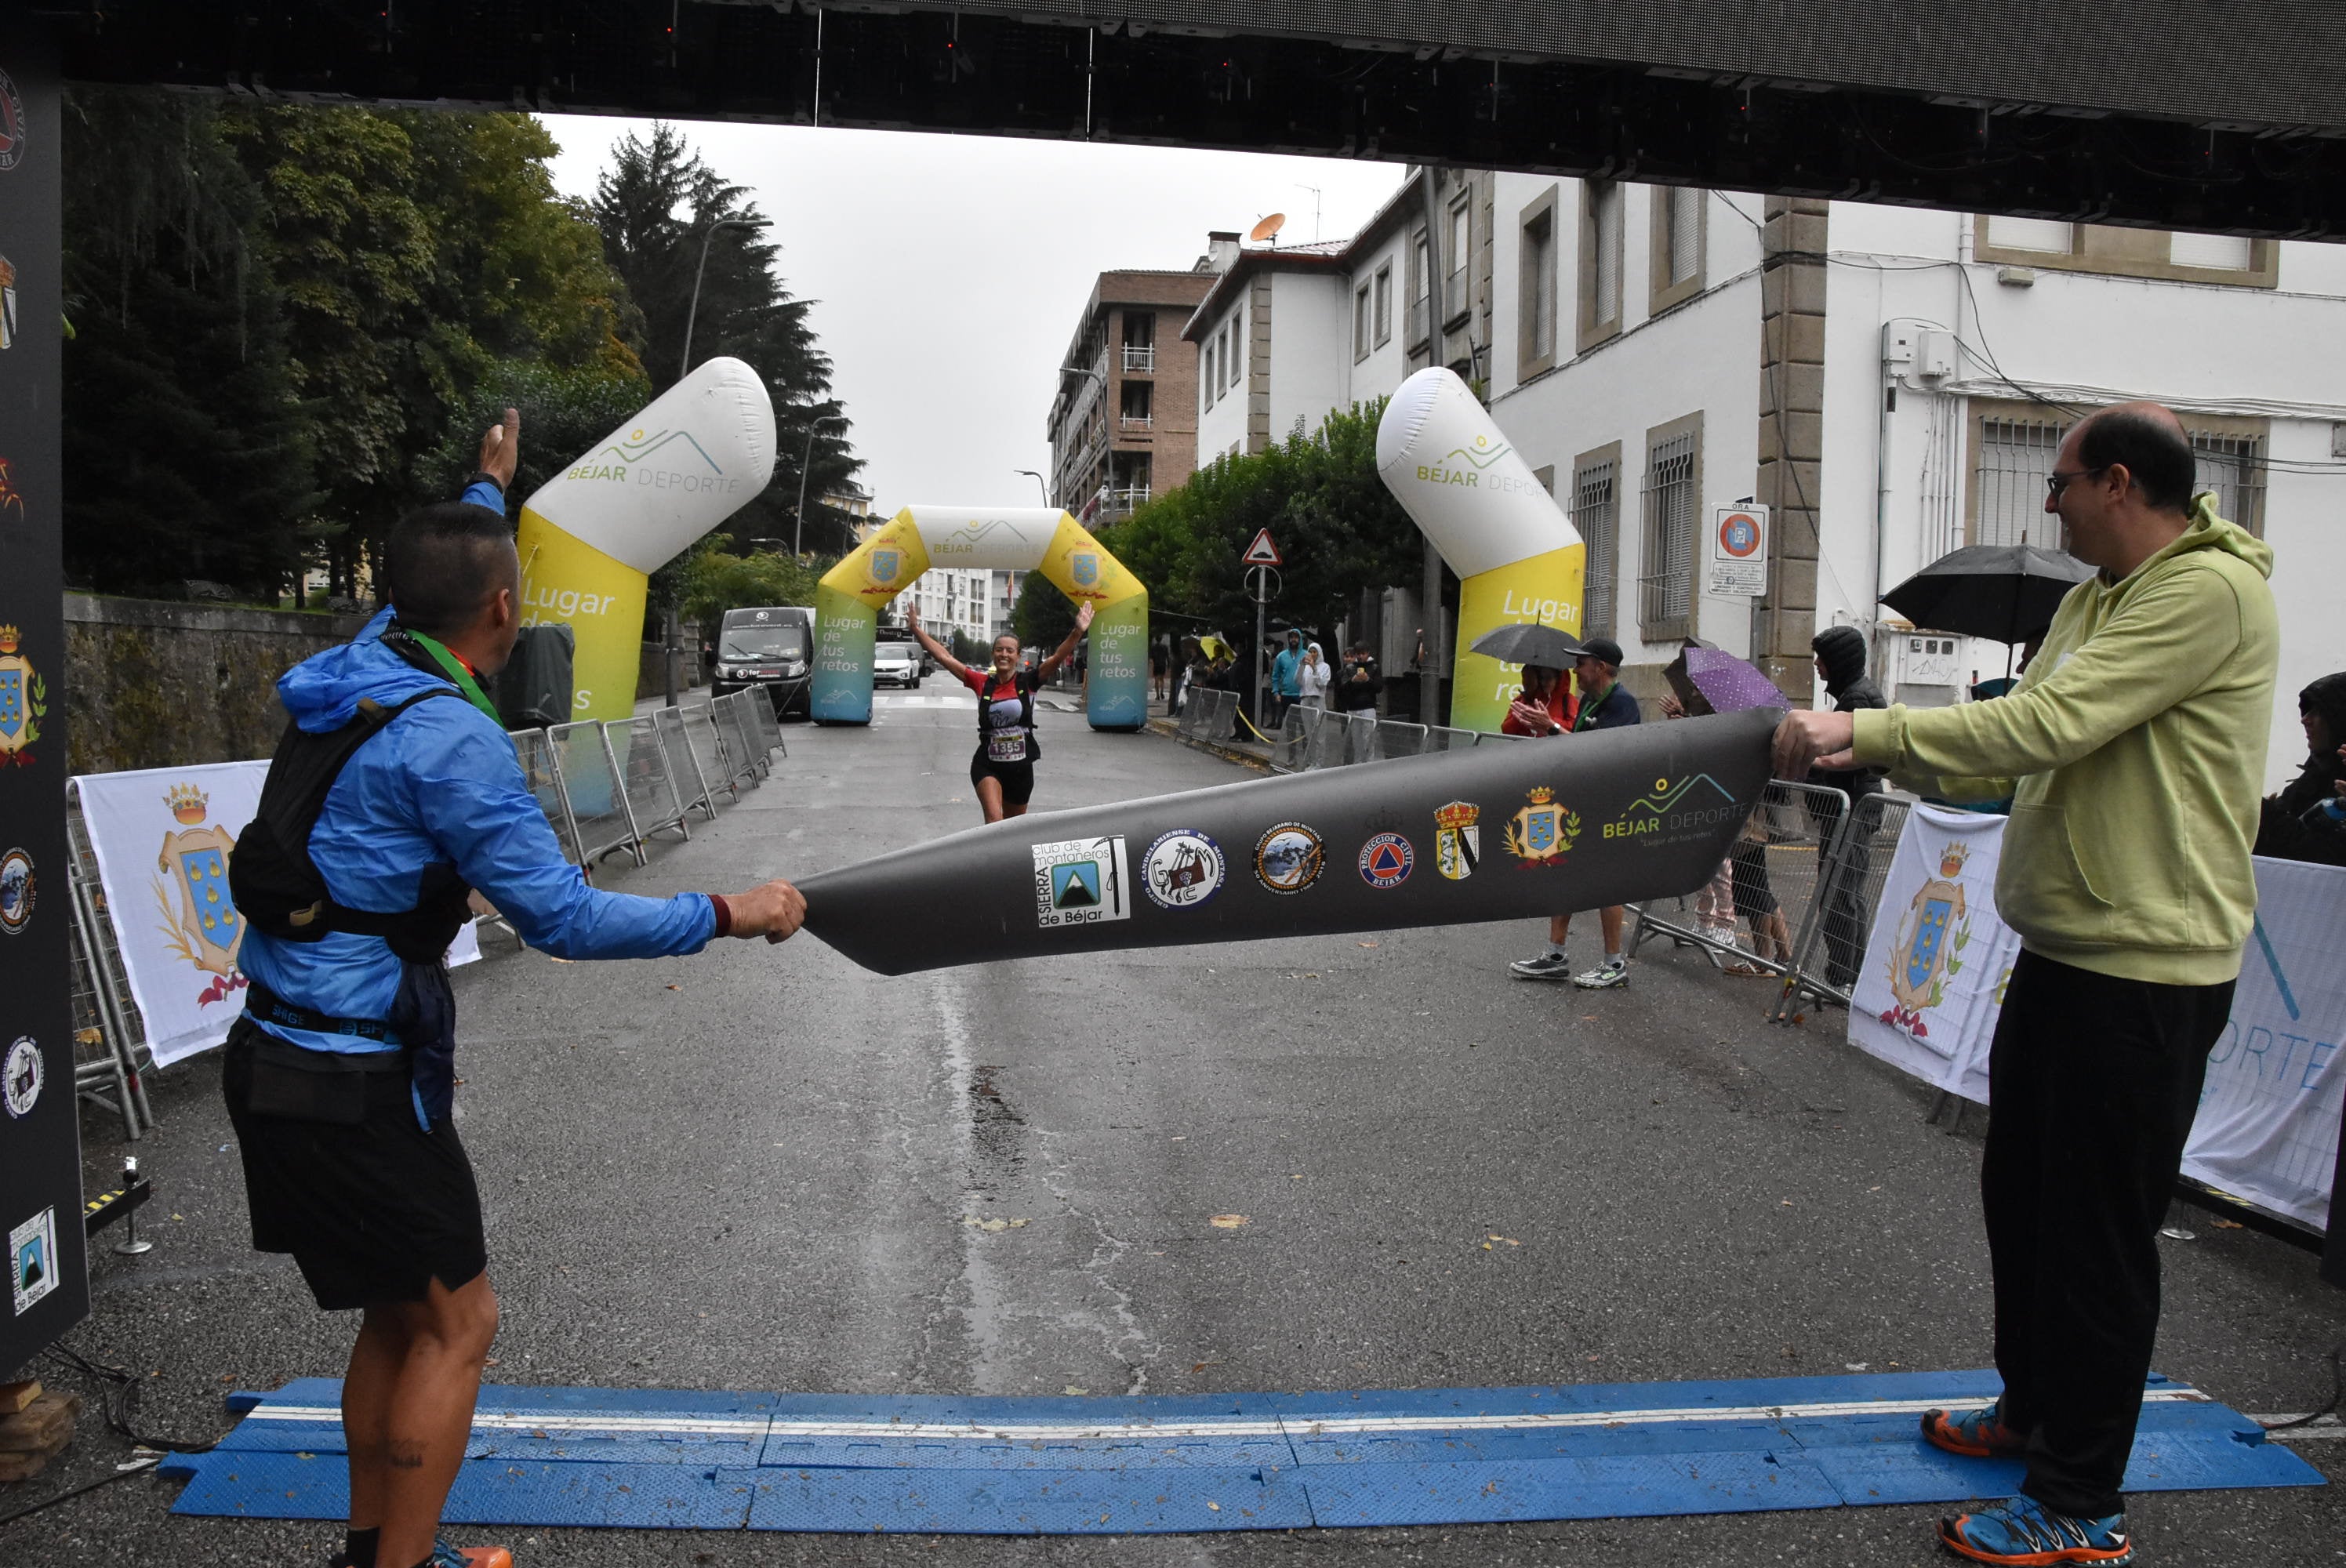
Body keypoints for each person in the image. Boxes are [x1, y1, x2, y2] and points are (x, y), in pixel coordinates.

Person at [223, 410, 807, 1568]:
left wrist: (488, 488)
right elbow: (564, 918)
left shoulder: (362, 665)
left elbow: (437, 575)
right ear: (502, 609)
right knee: (459, 1322)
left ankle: (375, 1553)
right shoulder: (456, 741)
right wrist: (731, 911)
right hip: (355, 1081)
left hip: (271, 1056)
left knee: (403, 1314)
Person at [1773, 402, 2278, 1567]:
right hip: (2064, 950)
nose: (2048, 505)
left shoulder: (2207, 593)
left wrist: (1861, 730)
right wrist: (1885, 749)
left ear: (2116, 483)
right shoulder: (2098, 599)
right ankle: (2033, 1410)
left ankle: (2080, 1500)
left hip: (2145, 969)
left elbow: (2051, 723)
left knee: (2097, 1239)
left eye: (2058, 484)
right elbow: (2017, 734)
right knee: (2026, 1204)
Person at [1509, 641, 1638, 986]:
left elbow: (1600, 753)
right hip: (1580, 802)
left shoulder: (1622, 703)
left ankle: (1614, 964)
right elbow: (1574, 747)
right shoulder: (1590, 702)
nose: (1576, 670)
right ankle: (1555, 956)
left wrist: (1551, 727)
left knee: (1607, 884)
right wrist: (1544, 728)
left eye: (1581, 664)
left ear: (1600, 667)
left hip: (1609, 807)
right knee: (1564, 873)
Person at [908, 601, 1093, 823]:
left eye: (1009, 651)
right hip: (988, 764)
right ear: (993, 654)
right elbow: (944, 657)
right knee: (995, 821)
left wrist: (1077, 631)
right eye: (999, 650)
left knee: (1012, 829)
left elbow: (1057, 658)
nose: (1004, 654)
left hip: (1020, 768)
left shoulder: (1029, 682)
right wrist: (916, 630)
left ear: (1018, 656)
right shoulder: (981, 683)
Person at [1805, 623, 1890, 989]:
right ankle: (1850, 975)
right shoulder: (1854, 695)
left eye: (1822, 658)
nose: (1816, 664)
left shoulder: (1857, 699)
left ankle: (1843, 977)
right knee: (1844, 892)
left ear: (1838, 661)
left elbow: (1853, 757)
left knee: (1838, 893)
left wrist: (1815, 762)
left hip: (1852, 808)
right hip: (1853, 806)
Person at [2253, 671, 2346, 867]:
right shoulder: (2310, 780)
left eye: (2318, 712)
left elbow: (2320, 858)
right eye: (2306, 711)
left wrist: (2263, 815)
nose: (2305, 719)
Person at [1335, 643, 1383, 715]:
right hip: (1351, 707)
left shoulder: (1375, 668)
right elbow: (1342, 689)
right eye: (1358, 654)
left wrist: (1367, 679)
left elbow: (1379, 688)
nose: (1361, 656)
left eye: (1363, 654)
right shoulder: (1349, 668)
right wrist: (1352, 680)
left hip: (1368, 707)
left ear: (1368, 653)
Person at [1269, 630, 1304, 725]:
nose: (1293, 640)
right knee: (1289, 724)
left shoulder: (1306, 655)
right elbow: (1275, 676)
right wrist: (1276, 692)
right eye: (1291, 637)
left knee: (1303, 724)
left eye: (1296, 637)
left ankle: (1305, 737)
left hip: (1302, 695)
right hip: (1286, 695)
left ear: (1300, 639)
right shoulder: (1281, 656)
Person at [1296, 642, 1331, 708]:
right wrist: (1301, 666)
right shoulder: (1305, 666)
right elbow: (1297, 681)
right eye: (1310, 652)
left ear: (1319, 653)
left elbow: (1322, 684)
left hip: (1318, 700)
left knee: (1319, 715)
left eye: (1314, 652)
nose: (1312, 654)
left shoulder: (1325, 667)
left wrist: (1314, 668)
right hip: (1305, 699)